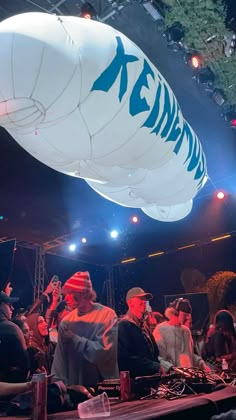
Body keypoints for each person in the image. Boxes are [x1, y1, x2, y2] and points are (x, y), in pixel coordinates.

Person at [51, 271, 118, 386]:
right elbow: (59, 362)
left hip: (105, 389)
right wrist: (60, 389)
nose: (66, 298)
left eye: (69, 293)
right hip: (76, 392)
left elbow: (103, 353)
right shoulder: (66, 322)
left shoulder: (107, 316)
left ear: (82, 294)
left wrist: (74, 339)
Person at [153, 298, 209, 372]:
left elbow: (190, 355)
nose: (188, 317)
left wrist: (202, 364)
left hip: (189, 376)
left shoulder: (186, 331)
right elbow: (159, 357)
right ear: (175, 312)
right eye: (185, 314)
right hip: (173, 377)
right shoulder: (160, 330)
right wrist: (171, 369)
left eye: (188, 315)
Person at [118, 287, 160, 377]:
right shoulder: (124, 325)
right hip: (136, 382)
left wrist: (162, 366)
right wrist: (156, 367)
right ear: (130, 303)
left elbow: (155, 353)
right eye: (140, 299)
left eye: (145, 299)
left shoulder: (144, 326)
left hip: (150, 379)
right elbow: (127, 359)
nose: (144, 302)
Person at [0, 291, 29, 382]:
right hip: (12, 389)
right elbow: (25, 367)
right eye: (9, 305)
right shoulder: (11, 328)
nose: (12, 308)